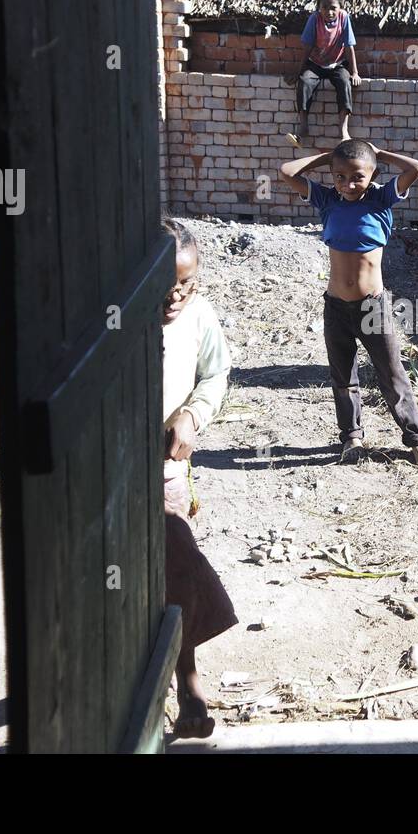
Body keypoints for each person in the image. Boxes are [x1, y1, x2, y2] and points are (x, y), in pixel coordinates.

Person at [278, 139, 418, 465]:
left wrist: (377, 153)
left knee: (392, 375)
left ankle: (416, 437)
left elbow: (415, 169)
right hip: (336, 307)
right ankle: (352, 438)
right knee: (343, 377)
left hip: (373, 307)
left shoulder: (380, 199)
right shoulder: (327, 200)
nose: (348, 184)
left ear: (373, 174)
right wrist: (328, 157)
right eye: (339, 177)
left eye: (357, 177)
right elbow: (286, 171)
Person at [160, 217, 238, 739]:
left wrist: (192, 415)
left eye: (186, 284)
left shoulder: (199, 316)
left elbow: (215, 374)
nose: (175, 295)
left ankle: (188, 681)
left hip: (166, 461)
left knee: (177, 566)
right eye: (165, 283)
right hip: (109, 461)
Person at [293, 0, 360, 141]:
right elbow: (308, 47)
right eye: (324, 8)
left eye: (333, 8)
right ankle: (303, 126)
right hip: (316, 63)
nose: (329, 12)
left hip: (337, 63)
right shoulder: (314, 19)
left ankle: (343, 129)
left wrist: (355, 72)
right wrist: (299, 71)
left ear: (340, 8)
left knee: (344, 82)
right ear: (319, 7)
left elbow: (349, 47)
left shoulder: (344, 18)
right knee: (304, 82)